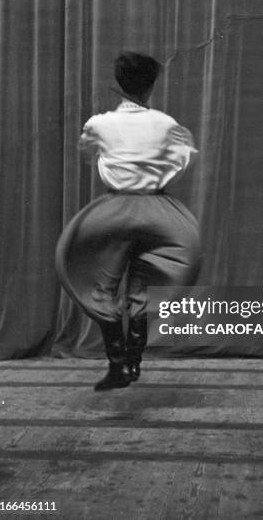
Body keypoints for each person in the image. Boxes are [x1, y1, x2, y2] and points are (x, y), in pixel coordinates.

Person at [55, 51, 201, 391]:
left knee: (97, 282)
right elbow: (182, 162)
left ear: (120, 83)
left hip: (113, 210)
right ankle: (134, 362)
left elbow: (89, 153)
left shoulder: (98, 123)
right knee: (147, 286)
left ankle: (118, 363)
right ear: (150, 87)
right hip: (159, 211)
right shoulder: (167, 124)